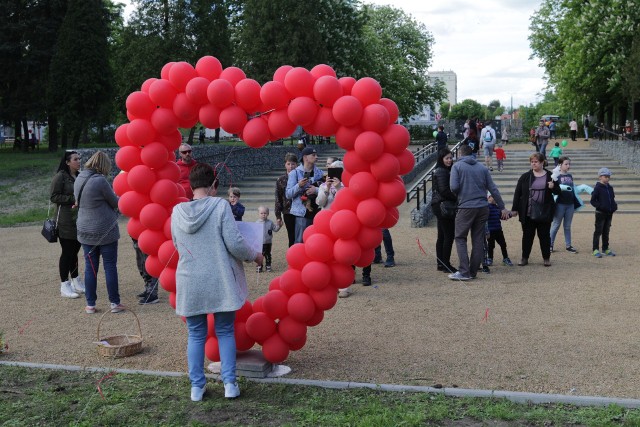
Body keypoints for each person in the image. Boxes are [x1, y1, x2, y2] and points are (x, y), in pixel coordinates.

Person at [171, 163, 263, 401]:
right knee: (224, 330)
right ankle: (229, 384)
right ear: (214, 185)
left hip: (189, 279)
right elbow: (235, 243)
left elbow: (176, 245)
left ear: (191, 187)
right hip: (219, 278)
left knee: (195, 334)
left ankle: (196, 387)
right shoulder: (221, 205)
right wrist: (255, 255)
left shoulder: (177, 212)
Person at [449, 145, 510, 281]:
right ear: (472, 154)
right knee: (478, 239)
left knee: (460, 237)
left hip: (466, 207)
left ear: (460, 153)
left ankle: (464, 271)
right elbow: (493, 189)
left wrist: (460, 194)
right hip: (483, 207)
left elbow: (454, 187)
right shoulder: (482, 168)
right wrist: (502, 207)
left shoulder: (457, 167)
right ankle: (473, 271)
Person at [74, 151, 122, 314]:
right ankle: (114, 303)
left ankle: (90, 304)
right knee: (109, 267)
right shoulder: (100, 181)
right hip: (104, 230)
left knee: (90, 268)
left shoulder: (79, 178)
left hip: (84, 229)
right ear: (103, 165)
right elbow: (115, 202)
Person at [510, 152, 560, 267]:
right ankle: (524, 258)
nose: (533, 164)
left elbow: (558, 192)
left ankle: (546, 258)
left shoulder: (550, 176)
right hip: (528, 212)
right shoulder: (525, 176)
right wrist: (514, 209)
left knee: (544, 236)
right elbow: (518, 193)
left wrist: (553, 187)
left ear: (542, 162)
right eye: (532, 162)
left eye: (536, 162)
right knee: (527, 236)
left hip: (544, 212)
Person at [316, 160, 356, 295]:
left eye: (337, 170)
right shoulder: (323, 186)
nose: (333, 173)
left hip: (341, 223)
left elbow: (345, 203)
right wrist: (327, 188)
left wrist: (339, 188)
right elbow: (320, 202)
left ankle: (344, 285)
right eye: (331, 170)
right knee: (325, 251)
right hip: (325, 223)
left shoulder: (347, 186)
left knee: (342, 253)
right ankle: (327, 280)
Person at [50, 150, 84, 299]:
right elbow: (54, 196)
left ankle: (76, 280)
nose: (79, 161)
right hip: (65, 221)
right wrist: (73, 199)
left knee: (75, 251)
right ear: (68, 162)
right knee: (67, 252)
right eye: (75, 159)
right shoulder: (60, 177)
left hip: (78, 219)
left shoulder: (79, 175)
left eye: (79, 158)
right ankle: (64, 285)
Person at [286, 146, 324, 243]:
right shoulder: (294, 173)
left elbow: (326, 190)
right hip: (302, 214)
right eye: (313, 155)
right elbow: (288, 194)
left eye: (316, 155)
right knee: (300, 241)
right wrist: (299, 185)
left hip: (318, 212)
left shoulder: (320, 173)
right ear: (305, 157)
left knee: (315, 242)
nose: (317, 157)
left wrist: (315, 189)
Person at [430, 148, 457, 273]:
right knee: (448, 235)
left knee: (442, 235)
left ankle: (441, 263)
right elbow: (444, 190)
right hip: (443, 206)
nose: (450, 160)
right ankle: (446, 264)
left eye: (451, 158)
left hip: (439, 204)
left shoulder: (442, 170)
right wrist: (457, 197)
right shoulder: (441, 171)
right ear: (441, 159)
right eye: (447, 158)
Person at [550, 156, 580, 254]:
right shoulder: (556, 177)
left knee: (567, 226)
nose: (568, 166)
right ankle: (549, 245)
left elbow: (573, 189)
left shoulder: (570, 176)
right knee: (556, 225)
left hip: (570, 204)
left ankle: (568, 245)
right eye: (566, 164)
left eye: (569, 164)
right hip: (560, 204)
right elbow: (553, 190)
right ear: (560, 165)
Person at [590, 167, 617, 258]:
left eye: (608, 176)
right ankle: (595, 249)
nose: (607, 178)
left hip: (609, 213)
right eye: (605, 176)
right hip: (600, 213)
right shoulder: (597, 188)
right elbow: (593, 201)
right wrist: (601, 206)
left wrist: (614, 206)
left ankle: (605, 248)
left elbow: (612, 198)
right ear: (600, 177)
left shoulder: (610, 187)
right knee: (598, 231)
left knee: (606, 231)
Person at [275, 153, 298, 247]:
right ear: (285, 164)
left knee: (301, 235)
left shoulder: (300, 177)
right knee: (291, 236)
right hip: (288, 211)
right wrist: (278, 216)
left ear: (297, 165)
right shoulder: (281, 179)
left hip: (300, 210)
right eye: (288, 164)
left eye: (293, 164)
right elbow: (278, 198)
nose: (291, 166)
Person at [486, 193, 513, 267]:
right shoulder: (487, 207)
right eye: (492, 197)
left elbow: (503, 216)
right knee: (491, 245)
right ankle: (490, 258)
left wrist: (510, 214)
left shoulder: (498, 208)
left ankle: (505, 258)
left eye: (495, 197)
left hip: (498, 230)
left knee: (503, 244)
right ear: (488, 198)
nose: (494, 198)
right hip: (490, 231)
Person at [133, 238, 158, 305]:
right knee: (141, 264)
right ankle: (148, 288)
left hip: (147, 238)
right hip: (136, 238)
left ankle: (152, 293)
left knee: (149, 263)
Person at [256, 206, 280, 272]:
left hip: (268, 242)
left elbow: (275, 229)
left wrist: (279, 225)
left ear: (268, 214)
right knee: (259, 255)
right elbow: (254, 233)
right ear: (258, 214)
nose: (263, 215)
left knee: (268, 254)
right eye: (261, 213)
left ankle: (268, 265)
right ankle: (259, 266)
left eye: (265, 213)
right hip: (260, 243)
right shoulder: (256, 223)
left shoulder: (270, 222)